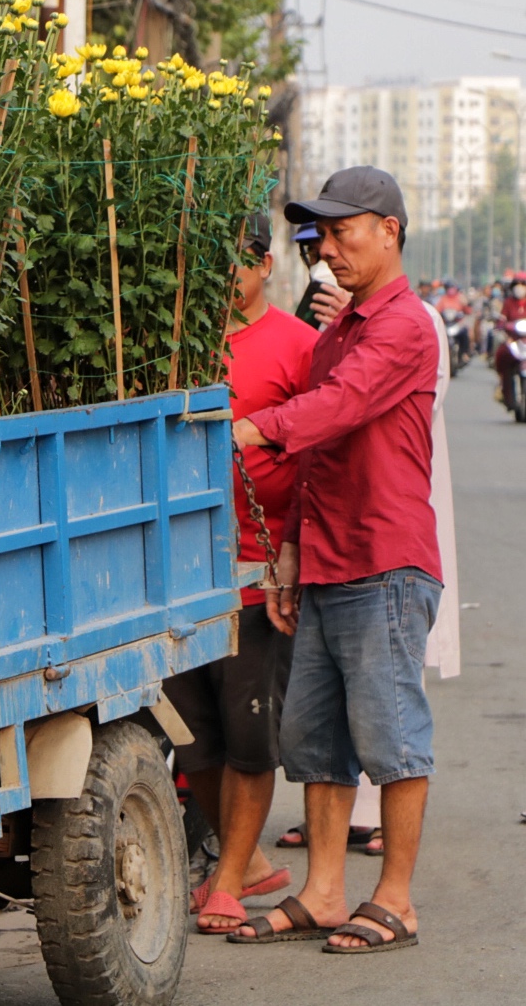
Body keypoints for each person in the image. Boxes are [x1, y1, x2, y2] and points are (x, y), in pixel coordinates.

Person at [229, 166, 441, 953]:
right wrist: (286, 552)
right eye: (319, 236)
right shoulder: (343, 327)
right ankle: (322, 891)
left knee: (390, 737)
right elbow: (319, 460)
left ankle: (395, 898)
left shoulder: (402, 325)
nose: (327, 250)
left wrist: (254, 426)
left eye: (342, 232)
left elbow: (339, 406)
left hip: (383, 558)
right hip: (323, 559)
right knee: (316, 739)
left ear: (387, 230)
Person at [166, 213, 315, 935]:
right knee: (193, 736)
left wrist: (292, 554)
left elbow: (318, 455)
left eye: (233, 261)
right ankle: (245, 858)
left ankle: (227, 877)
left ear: (261, 266)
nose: (222, 276)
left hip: (258, 572)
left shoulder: (297, 345)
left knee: (248, 731)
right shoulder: (172, 339)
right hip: (179, 574)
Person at [492, 279, 526, 410]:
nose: (520, 288)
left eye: (523, 285)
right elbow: (501, 321)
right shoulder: (508, 303)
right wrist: (503, 325)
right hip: (514, 341)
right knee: (502, 354)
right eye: (517, 285)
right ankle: (505, 390)